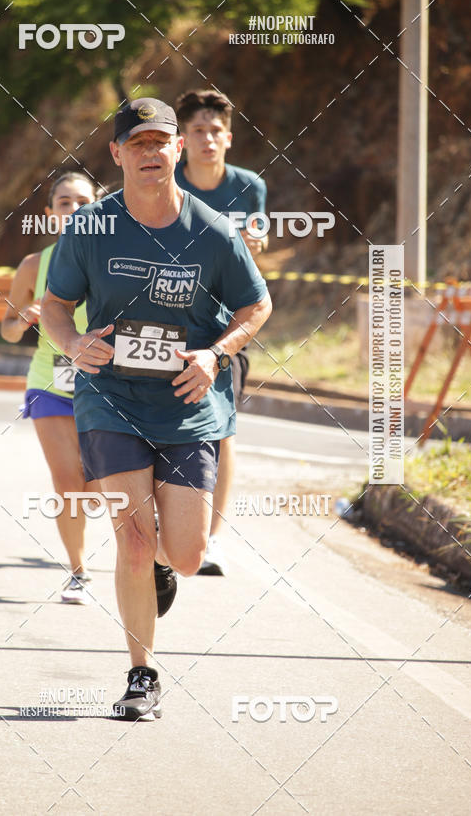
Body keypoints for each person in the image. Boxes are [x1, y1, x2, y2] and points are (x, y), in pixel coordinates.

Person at [41, 98, 272, 720]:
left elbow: (256, 306)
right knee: (134, 541)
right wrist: (71, 343)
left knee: (187, 554)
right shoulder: (89, 228)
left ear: (177, 150)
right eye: (136, 143)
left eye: (159, 142)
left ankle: (163, 571)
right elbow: (56, 304)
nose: (149, 152)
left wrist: (215, 355)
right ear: (116, 154)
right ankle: (142, 675)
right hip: (110, 399)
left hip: (186, 402)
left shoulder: (213, 231)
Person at [174, 89, 268, 576]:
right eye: (197, 131)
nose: (207, 139)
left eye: (215, 131)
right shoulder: (163, 180)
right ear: (181, 140)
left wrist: (255, 242)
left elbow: (253, 255)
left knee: (223, 431)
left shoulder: (248, 186)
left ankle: (211, 538)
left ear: (228, 139)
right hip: (162, 320)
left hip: (221, 326)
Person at [0, 172, 97, 604]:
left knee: (100, 487)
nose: (73, 209)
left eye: (82, 201)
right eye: (63, 202)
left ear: (99, 209)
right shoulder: (34, 265)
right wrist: (24, 318)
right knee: (66, 482)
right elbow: (7, 331)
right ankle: (79, 571)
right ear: (50, 213)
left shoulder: (115, 258)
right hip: (50, 382)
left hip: (106, 387)